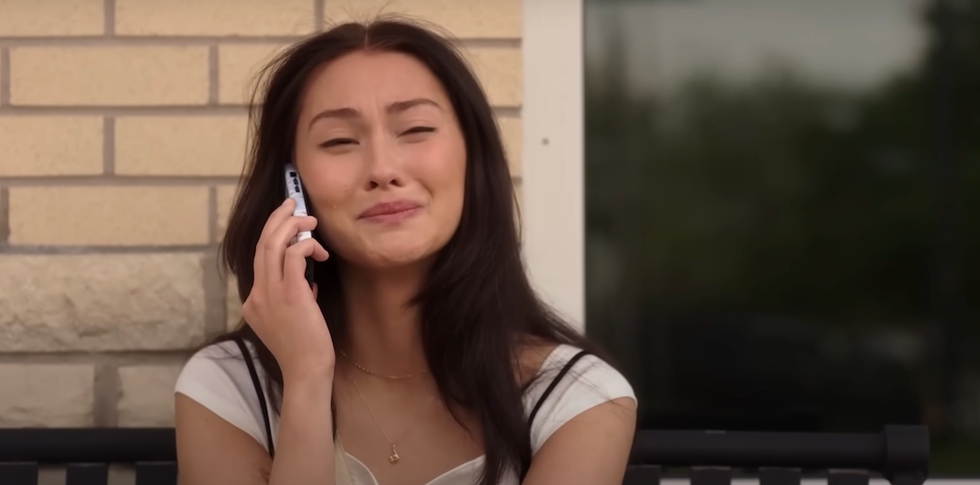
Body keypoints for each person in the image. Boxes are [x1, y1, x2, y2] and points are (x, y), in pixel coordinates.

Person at [173, 16, 637, 485]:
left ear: (472, 156)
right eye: (339, 140)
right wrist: (307, 380)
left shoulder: (577, 397)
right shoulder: (226, 390)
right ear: (292, 186)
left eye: (415, 130)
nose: (383, 168)